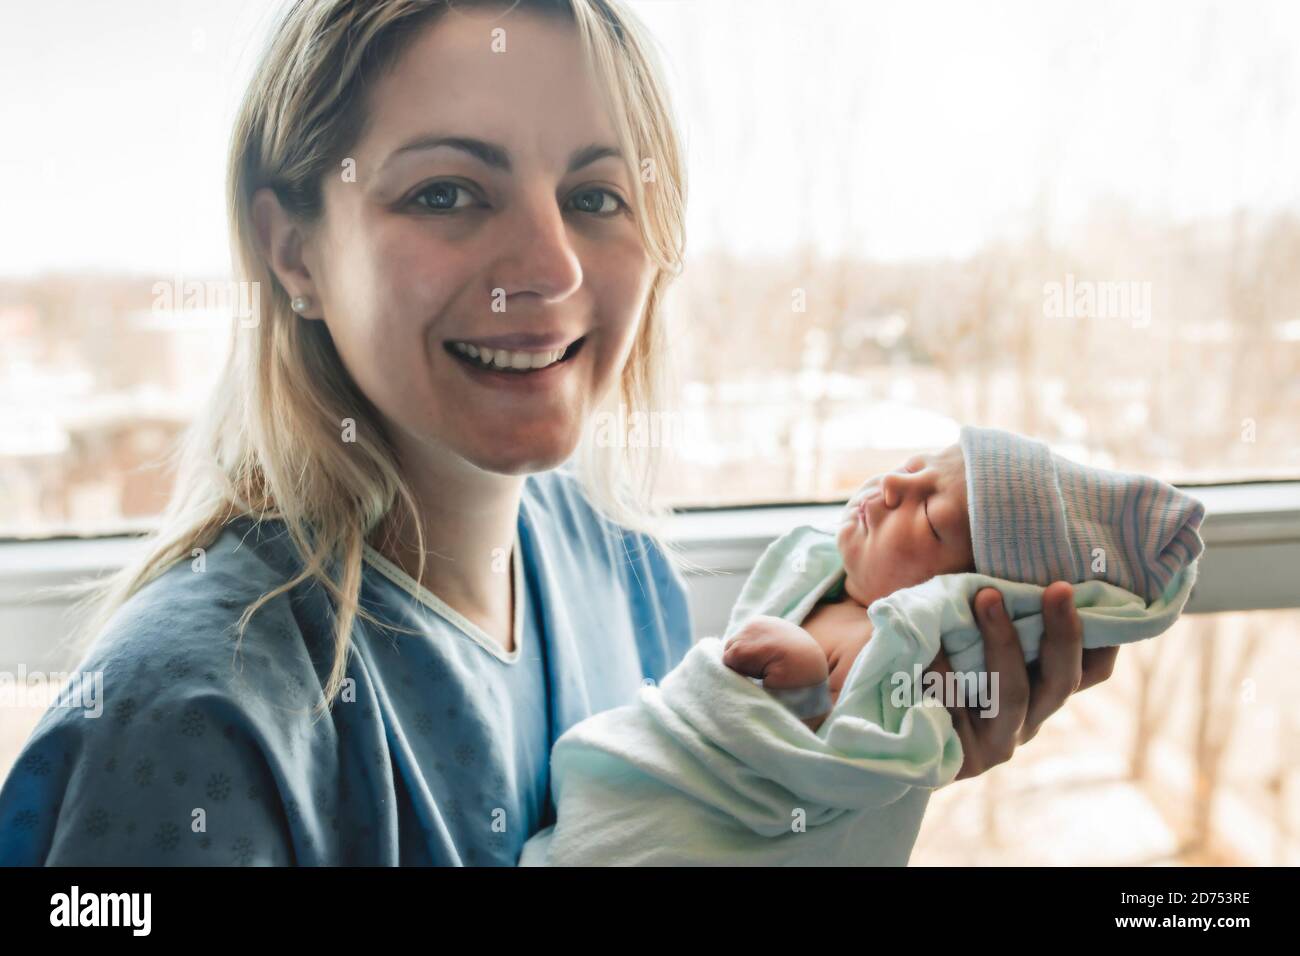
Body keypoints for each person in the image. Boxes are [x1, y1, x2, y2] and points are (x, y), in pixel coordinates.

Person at [0, 0, 1104, 866]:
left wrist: (857, 768)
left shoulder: (611, 562)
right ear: (292, 251)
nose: (551, 267)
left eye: (595, 195)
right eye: (445, 193)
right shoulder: (186, 726)